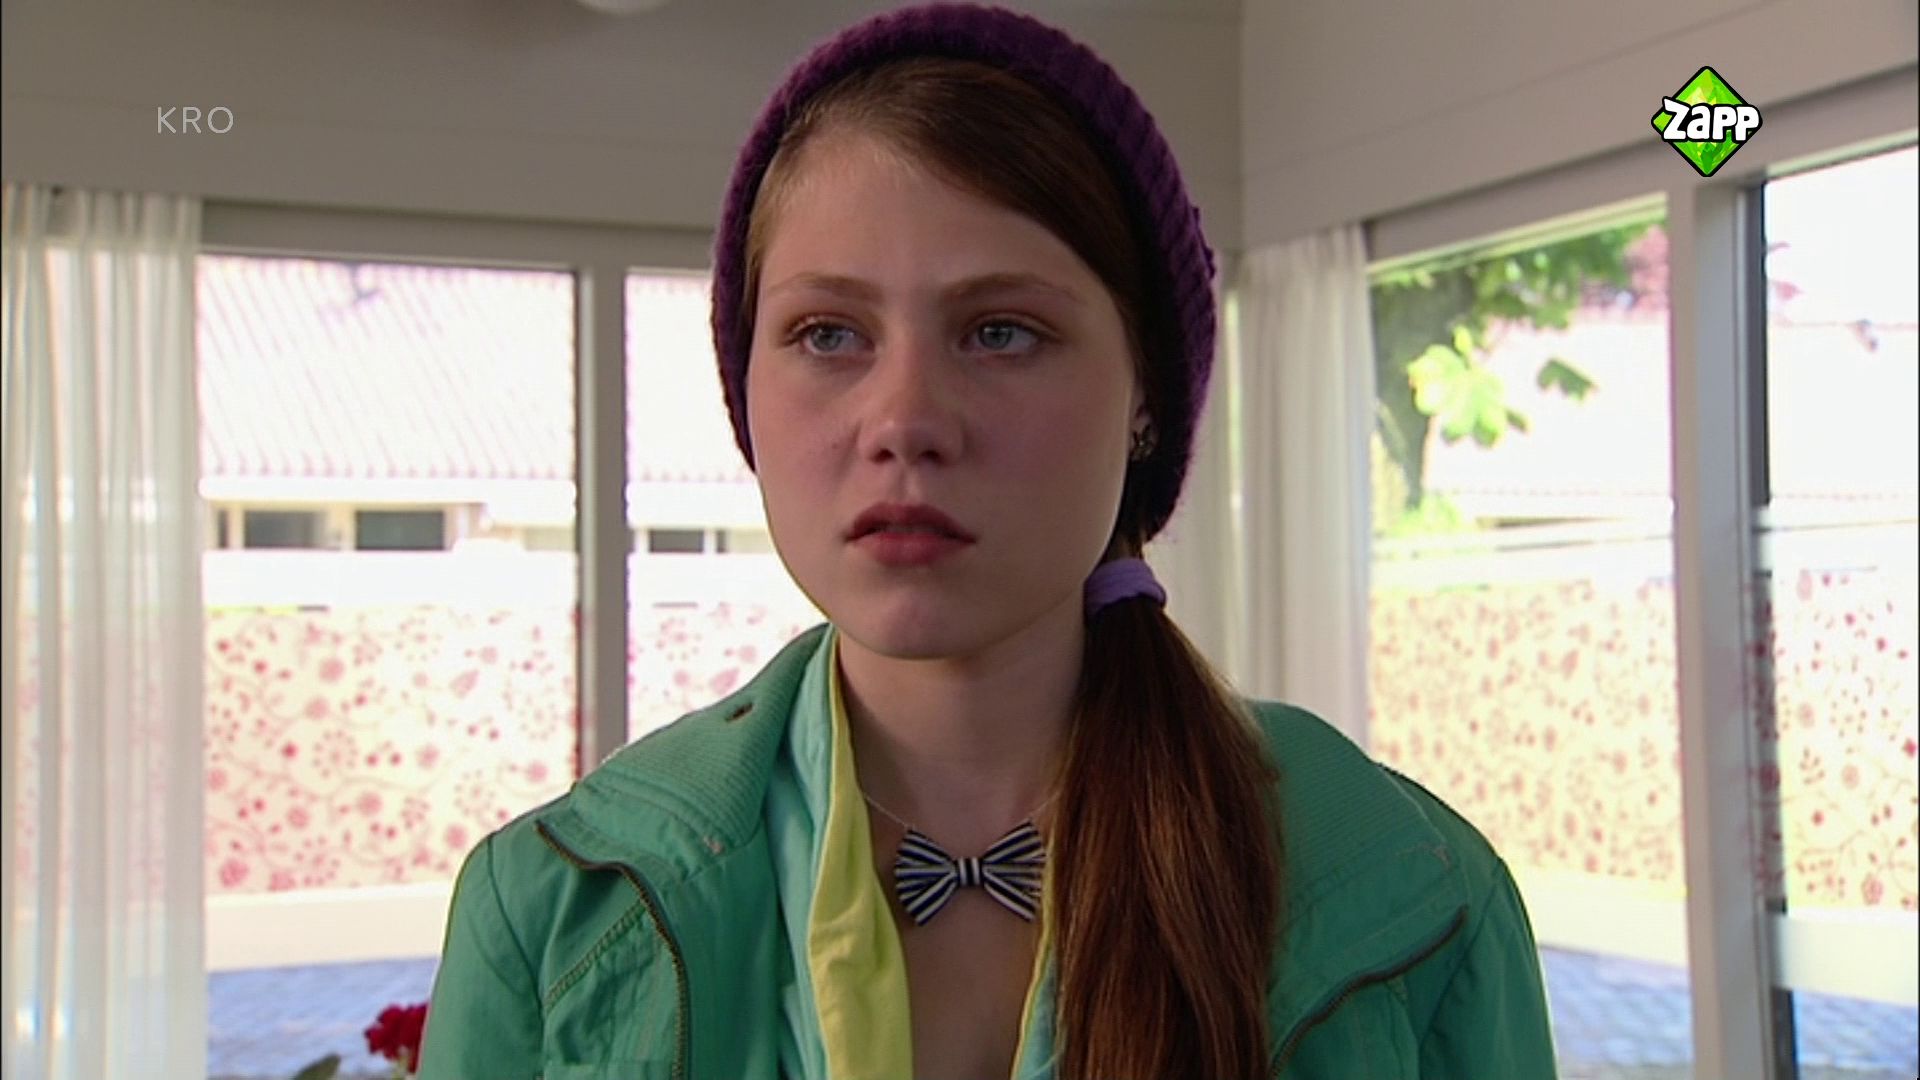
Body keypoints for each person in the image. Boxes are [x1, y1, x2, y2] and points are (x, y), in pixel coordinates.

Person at [418, 4, 1559, 1078]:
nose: (905, 420)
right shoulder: (551, 914)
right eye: (828, 333)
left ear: (1146, 397)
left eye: (1001, 332)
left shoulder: (1413, 897)